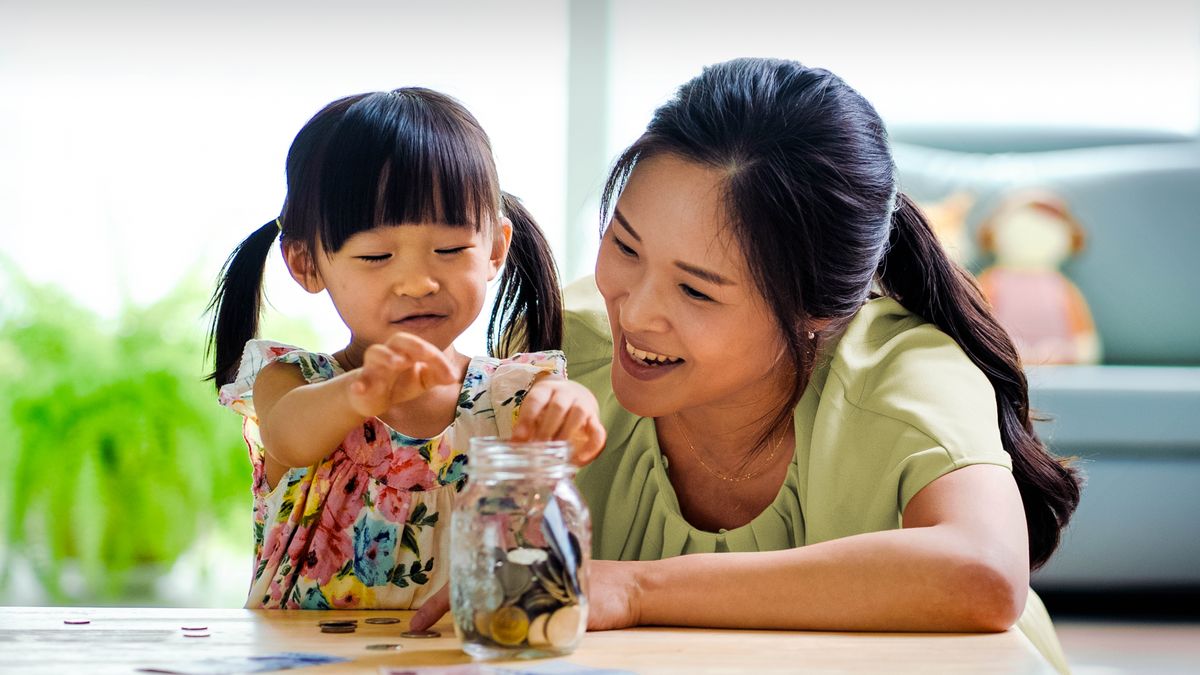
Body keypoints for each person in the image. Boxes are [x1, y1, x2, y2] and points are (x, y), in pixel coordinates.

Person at [408, 59, 1081, 673]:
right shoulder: (558, 350)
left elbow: (986, 573)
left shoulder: (902, 369)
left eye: (696, 290)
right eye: (625, 245)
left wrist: (637, 587)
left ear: (814, 308)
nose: (636, 312)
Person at [207, 88, 605, 610]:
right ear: (306, 264)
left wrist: (575, 408)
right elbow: (288, 437)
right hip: (308, 664)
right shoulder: (293, 380)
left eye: (449, 249)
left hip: (469, 658)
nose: (418, 282)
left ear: (494, 249)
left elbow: (567, 419)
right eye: (376, 256)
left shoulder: (516, 392)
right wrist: (361, 391)